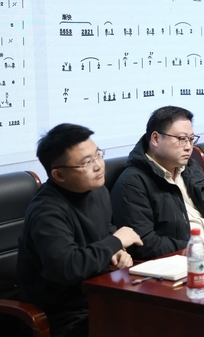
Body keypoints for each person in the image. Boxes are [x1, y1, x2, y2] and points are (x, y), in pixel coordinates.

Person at [17, 123, 142, 337]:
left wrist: (117, 251)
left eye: (98, 155)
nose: (98, 165)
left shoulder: (97, 191)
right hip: (64, 315)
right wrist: (116, 241)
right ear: (59, 175)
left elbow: (103, 230)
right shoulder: (47, 211)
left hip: (99, 296)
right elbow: (67, 267)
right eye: (87, 162)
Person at [111, 106, 204, 260]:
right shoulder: (133, 183)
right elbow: (144, 243)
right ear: (155, 139)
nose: (189, 147)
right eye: (182, 139)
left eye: (191, 139)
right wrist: (197, 249)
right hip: (184, 261)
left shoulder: (190, 167)